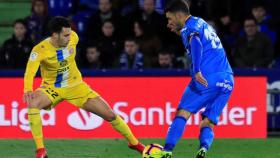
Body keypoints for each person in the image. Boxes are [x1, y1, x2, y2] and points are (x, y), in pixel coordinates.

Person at [23, 16, 144, 158]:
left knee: (110, 115)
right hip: (52, 88)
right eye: (65, 35)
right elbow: (30, 71)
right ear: (55, 35)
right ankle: (40, 150)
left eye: (70, 33)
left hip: (76, 86)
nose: (69, 37)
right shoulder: (39, 50)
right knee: (32, 104)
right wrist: (27, 89)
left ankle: (134, 143)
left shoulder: (74, 37)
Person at [150, 0, 234, 158]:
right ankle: (203, 149)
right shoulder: (201, 22)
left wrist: (196, 71)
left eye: (169, 19)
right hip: (228, 80)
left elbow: (196, 43)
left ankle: (167, 151)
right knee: (208, 121)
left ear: (180, 15)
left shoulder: (188, 28)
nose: (168, 24)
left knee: (183, 112)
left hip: (207, 77)